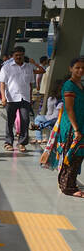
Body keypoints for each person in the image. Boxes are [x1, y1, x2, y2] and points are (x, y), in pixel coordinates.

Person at [0, 46, 45, 152]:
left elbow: (29, 84)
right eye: (16, 55)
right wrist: (3, 97)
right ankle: (8, 142)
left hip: (25, 98)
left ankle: (22, 142)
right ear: (13, 56)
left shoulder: (28, 67)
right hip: (11, 98)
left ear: (24, 55)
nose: (19, 57)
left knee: (25, 120)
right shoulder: (6, 67)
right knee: (10, 121)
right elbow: (2, 83)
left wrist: (30, 98)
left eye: (21, 55)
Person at [49, 57, 84, 197]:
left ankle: (67, 183)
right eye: (77, 67)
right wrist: (75, 129)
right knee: (72, 155)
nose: (80, 70)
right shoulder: (69, 86)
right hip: (71, 126)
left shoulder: (80, 85)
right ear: (71, 69)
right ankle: (68, 187)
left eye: (83, 68)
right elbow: (69, 109)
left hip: (79, 125)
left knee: (77, 156)